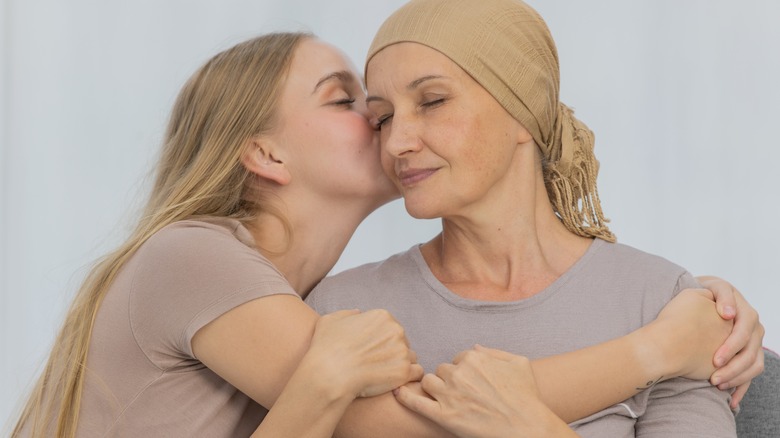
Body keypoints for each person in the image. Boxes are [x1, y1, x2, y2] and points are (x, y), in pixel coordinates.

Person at [11, 29, 761, 438]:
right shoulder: (200, 259)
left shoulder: (291, 297)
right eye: (358, 106)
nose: (391, 132)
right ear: (266, 155)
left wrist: (694, 308)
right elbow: (413, 422)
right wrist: (654, 350)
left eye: (424, 103)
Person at [305, 0, 765, 436]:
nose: (396, 142)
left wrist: (530, 427)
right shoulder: (342, 309)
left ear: (524, 111)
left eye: (432, 101)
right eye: (383, 118)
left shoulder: (669, 308)